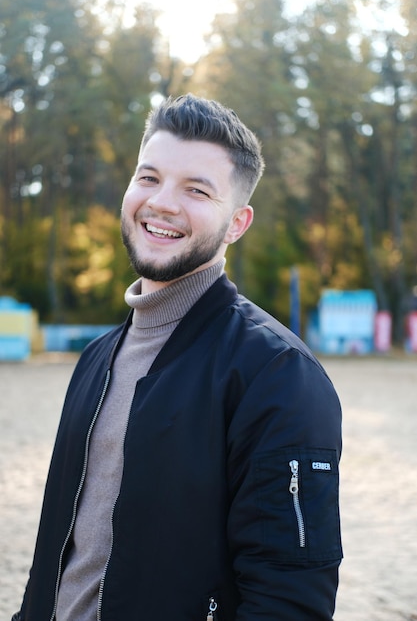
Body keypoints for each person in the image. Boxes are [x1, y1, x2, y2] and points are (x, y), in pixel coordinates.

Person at [12, 94, 343, 621]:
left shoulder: (277, 373)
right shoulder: (97, 359)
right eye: (149, 177)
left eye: (196, 189)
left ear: (237, 223)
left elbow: (288, 598)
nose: (163, 202)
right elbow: (63, 552)